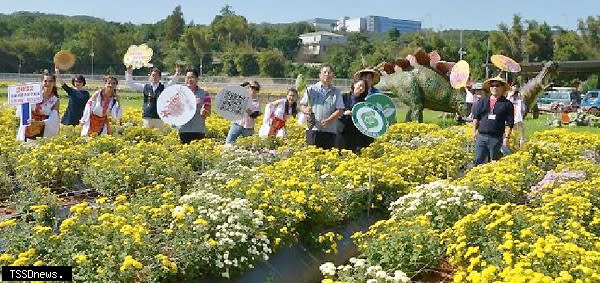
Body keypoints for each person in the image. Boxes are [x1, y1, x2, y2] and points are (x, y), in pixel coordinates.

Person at [300, 64, 345, 149]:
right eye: (325, 72)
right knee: (311, 156)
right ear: (320, 75)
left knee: (327, 157)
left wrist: (329, 120)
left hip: (330, 130)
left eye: (329, 73)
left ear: (333, 76)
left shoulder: (336, 92)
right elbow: (302, 105)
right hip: (313, 129)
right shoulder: (311, 89)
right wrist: (306, 110)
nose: (327, 74)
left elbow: (340, 110)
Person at [472, 76, 514, 165]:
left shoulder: (507, 104)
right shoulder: (483, 101)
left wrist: (506, 138)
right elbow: (476, 118)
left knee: (495, 163)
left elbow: (510, 123)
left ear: (502, 88)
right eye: (492, 85)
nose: (494, 87)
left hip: (496, 138)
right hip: (481, 137)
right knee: (478, 161)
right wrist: (474, 132)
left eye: (497, 85)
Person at [16, 73, 60, 141]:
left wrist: (39, 123)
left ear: (54, 83)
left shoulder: (55, 100)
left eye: (50, 81)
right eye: (45, 81)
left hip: (43, 129)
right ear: (42, 82)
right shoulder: (33, 94)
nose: (47, 83)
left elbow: (54, 118)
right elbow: (24, 107)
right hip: (28, 126)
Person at [178, 68, 211, 144]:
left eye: (192, 77)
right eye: (187, 77)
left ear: (197, 79)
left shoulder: (205, 94)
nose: (189, 80)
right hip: (183, 130)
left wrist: (204, 112)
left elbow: (208, 113)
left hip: (198, 130)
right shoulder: (179, 93)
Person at [340, 79, 374, 153]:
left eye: (364, 87)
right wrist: (344, 113)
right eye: (360, 85)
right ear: (354, 84)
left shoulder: (364, 103)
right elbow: (336, 110)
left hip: (357, 132)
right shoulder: (343, 97)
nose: (361, 88)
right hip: (344, 129)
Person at [507, 82, 527, 147]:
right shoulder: (508, 95)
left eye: (517, 87)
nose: (515, 88)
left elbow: (523, 108)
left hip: (518, 117)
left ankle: (521, 145)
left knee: (521, 132)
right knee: (511, 131)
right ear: (511, 87)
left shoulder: (520, 96)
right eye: (514, 86)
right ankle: (511, 144)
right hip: (510, 116)